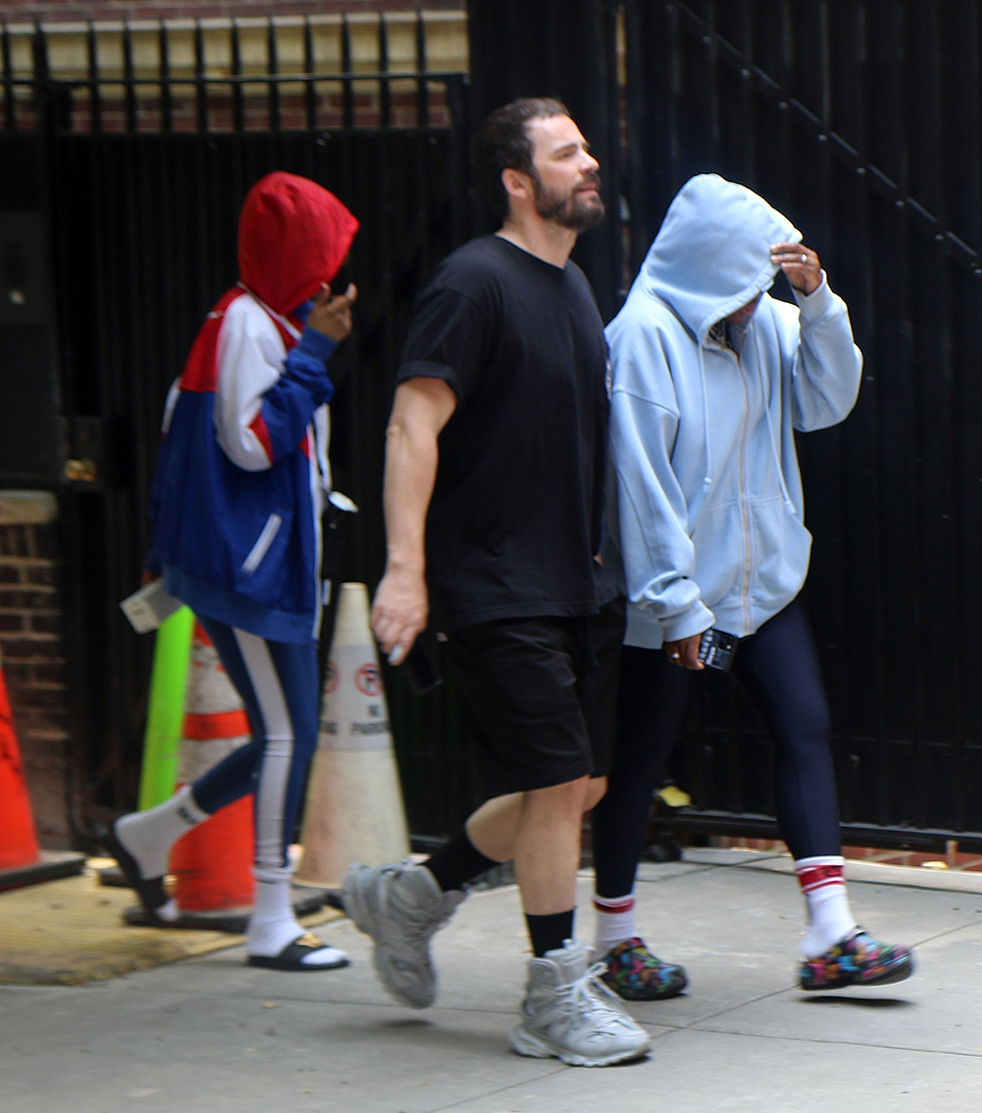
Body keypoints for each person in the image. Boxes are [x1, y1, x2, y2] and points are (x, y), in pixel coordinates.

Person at [340, 97, 650, 1067]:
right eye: (567, 154)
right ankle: (552, 996)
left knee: (581, 785)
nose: (589, 164)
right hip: (492, 579)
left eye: (586, 149)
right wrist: (405, 572)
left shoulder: (573, 289)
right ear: (518, 181)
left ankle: (413, 897)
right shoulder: (471, 283)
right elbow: (409, 427)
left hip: (579, 583)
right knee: (557, 780)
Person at [591, 173, 914, 997]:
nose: (755, 299)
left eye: (764, 283)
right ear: (708, 268)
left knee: (804, 724)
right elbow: (642, 486)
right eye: (747, 282)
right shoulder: (642, 339)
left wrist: (817, 303)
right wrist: (673, 606)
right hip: (672, 599)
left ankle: (831, 934)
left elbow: (827, 401)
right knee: (638, 758)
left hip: (760, 580)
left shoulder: (767, 323)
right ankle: (614, 937)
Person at [104, 171, 359, 972]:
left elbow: (188, 431)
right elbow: (251, 442)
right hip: (247, 572)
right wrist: (317, 348)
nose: (332, 275)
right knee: (288, 733)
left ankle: (147, 837)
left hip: (249, 565)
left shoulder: (247, 318)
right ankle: (271, 917)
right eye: (323, 254)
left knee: (290, 732)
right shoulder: (254, 325)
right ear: (297, 256)